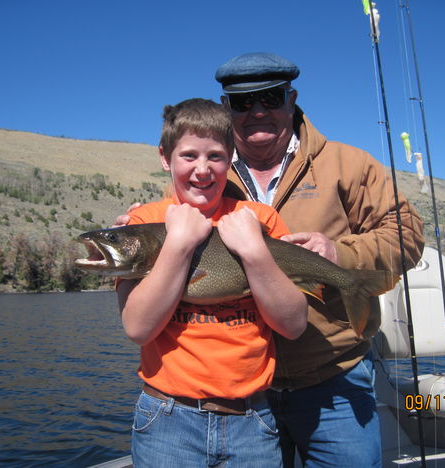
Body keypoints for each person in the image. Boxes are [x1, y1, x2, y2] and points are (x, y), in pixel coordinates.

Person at [212, 52, 425, 467]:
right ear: (225, 109)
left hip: (334, 381)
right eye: (242, 103)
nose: (257, 112)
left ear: (292, 98)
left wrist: (339, 253)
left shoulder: (348, 164)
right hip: (241, 389)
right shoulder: (207, 172)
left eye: (270, 98)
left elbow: (408, 234)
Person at [116, 98, 308, 467]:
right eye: (188, 156)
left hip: (252, 422)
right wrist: (178, 242)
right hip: (167, 418)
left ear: (231, 158)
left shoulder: (261, 219)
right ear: (164, 157)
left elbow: (293, 325)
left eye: (215, 157)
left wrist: (254, 250)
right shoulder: (142, 223)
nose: (202, 170)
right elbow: (138, 328)